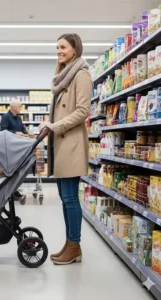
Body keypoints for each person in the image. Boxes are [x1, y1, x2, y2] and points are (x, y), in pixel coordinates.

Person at [39, 33, 92, 265]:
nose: (58, 51)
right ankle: (70, 244)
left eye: (63, 47)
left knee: (70, 198)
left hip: (70, 144)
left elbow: (82, 111)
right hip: (60, 143)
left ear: (74, 49)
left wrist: (55, 125)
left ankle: (74, 245)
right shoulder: (63, 76)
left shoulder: (81, 74)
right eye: (57, 47)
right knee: (64, 197)